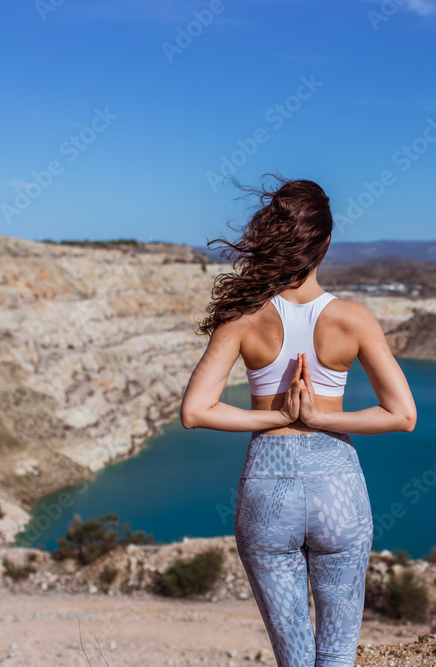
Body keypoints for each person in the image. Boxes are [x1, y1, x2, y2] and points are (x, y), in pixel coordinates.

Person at [179, 176, 417, 666]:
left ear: (271, 238)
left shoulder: (242, 317)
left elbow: (196, 411)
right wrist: (320, 417)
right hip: (339, 489)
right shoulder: (354, 318)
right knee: (335, 656)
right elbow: (402, 415)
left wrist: (277, 418)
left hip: (268, 490)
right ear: (325, 242)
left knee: (295, 659)